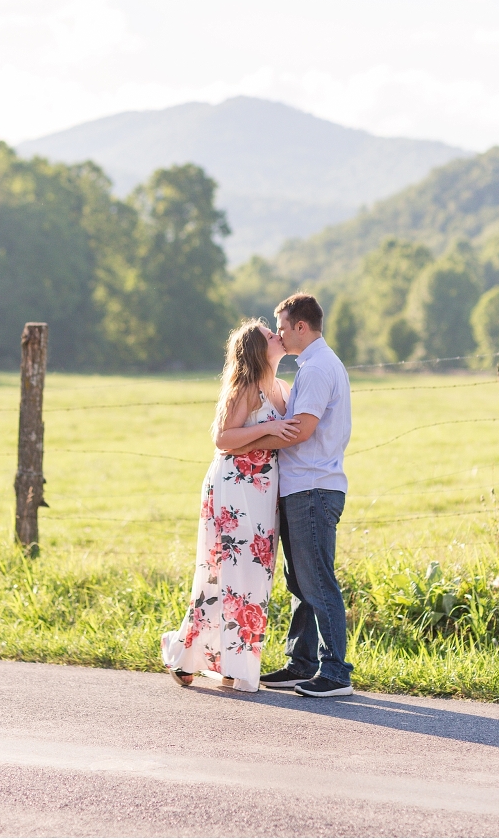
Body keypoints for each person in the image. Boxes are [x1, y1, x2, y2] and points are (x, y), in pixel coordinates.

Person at [160, 320, 300, 692]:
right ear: (258, 349)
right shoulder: (246, 388)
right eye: (272, 335)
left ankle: (207, 657)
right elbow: (223, 439)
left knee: (254, 576)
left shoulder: (282, 390)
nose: (278, 336)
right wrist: (266, 432)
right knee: (224, 573)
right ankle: (198, 656)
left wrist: (265, 435)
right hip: (234, 489)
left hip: (263, 492)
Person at [227, 293, 354, 697]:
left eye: (282, 326)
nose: (279, 334)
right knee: (300, 582)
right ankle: (301, 664)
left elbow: (301, 430)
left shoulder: (317, 369)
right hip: (302, 487)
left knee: (318, 582)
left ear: (302, 326)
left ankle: (335, 672)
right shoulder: (312, 366)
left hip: (313, 488)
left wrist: (249, 442)